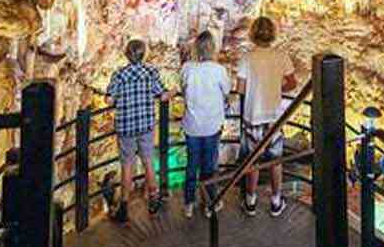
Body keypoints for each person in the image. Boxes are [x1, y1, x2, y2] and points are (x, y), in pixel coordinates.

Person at [236, 16, 297, 217]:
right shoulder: (281, 55)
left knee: (253, 161)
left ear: (253, 34)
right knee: (275, 160)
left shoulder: (247, 57)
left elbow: (241, 88)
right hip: (274, 117)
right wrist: (276, 88)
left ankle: (251, 200)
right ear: (273, 34)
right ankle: (276, 200)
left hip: (253, 115)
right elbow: (292, 83)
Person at [105, 38, 169, 222]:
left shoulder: (119, 75)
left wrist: (115, 100)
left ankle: (124, 206)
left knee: (126, 165)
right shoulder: (150, 72)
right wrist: (172, 92)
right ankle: (154, 200)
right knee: (148, 161)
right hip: (146, 125)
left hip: (126, 126)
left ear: (126, 54)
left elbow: (109, 100)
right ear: (144, 54)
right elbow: (162, 95)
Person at [181, 30, 231, 218]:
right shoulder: (218, 70)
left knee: (192, 164)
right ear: (212, 48)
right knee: (209, 166)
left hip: (192, 125)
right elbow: (227, 89)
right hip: (211, 125)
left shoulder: (187, 68)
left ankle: (189, 203)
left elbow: (183, 88)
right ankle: (210, 203)